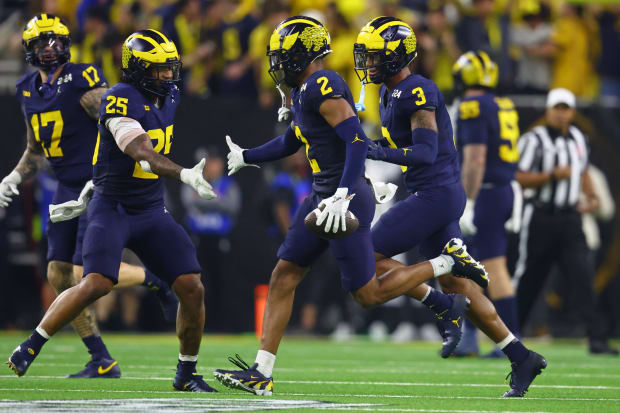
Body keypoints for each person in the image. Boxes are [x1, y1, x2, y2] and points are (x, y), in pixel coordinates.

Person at [213, 16, 487, 396]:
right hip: (323, 192)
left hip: (345, 197)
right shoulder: (307, 90)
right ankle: (262, 372)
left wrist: (343, 194)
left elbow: (357, 142)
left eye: (282, 56)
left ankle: (445, 265)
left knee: (367, 294)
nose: (276, 65)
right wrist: (248, 154)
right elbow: (294, 140)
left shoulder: (324, 85)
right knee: (284, 273)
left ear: (300, 55)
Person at [7, 28, 220, 392]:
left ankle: (186, 374)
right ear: (137, 69)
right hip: (115, 208)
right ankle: (32, 344)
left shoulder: (168, 95)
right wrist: (183, 173)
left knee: (192, 287)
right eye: (160, 70)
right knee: (93, 283)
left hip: (151, 208)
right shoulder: (119, 97)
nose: (168, 76)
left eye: (171, 68)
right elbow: (141, 153)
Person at [353, 17, 545, 397]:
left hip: (436, 195)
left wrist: (375, 149)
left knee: (366, 257)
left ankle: (443, 293)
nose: (369, 64)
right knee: (460, 286)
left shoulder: (418, 89)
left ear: (397, 56)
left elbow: (424, 151)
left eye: (375, 56)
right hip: (433, 193)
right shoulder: (390, 93)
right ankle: (521, 355)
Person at [514, 88, 618, 356]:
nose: (561, 113)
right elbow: (520, 177)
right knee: (529, 280)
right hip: (541, 218)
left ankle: (597, 339)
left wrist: (592, 194)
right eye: (557, 108)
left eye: (566, 109)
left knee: (583, 277)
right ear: (548, 110)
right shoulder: (533, 140)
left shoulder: (578, 139)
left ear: (572, 112)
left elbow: (581, 171)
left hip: (571, 220)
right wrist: (551, 176)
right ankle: (511, 334)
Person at [450, 50, 521, 358]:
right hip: (503, 189)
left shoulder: (473, 105)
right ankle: (469, 338)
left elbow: (476, 158)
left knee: (492, 266)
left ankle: (509, 339)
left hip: (487, 192)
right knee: (470, 266)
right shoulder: (503, 103)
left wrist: (468, 201)